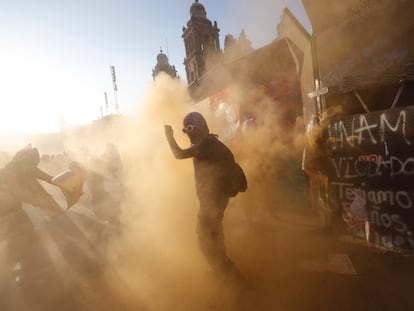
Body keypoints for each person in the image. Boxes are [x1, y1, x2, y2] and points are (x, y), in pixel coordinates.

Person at [164, 112, 242, 282]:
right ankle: (226, 275)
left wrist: (169, 137)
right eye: (187, 131)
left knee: (206, 240)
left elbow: (178, 154)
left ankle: (230, 279)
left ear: (203, 128)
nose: (190, 135)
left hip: (212, 203)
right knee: (214, 238)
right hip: (216, 201)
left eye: (191, 130)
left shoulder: (207, 145)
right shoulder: (211, 143)